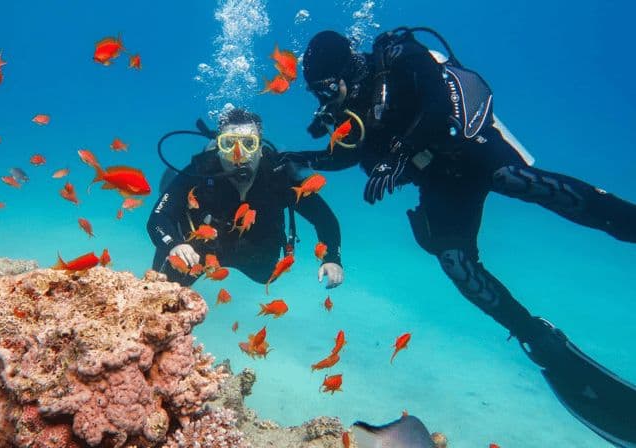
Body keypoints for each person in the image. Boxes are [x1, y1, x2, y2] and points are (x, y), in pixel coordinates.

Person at [290, 27, 636, 446]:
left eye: (326, 87)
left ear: (347, 68)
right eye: (316, 92)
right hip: (439, 181)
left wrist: (398, 157)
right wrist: (295, 159)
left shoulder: (397, 55)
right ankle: (537, 339)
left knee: (528, 182)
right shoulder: (349, 111)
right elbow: (347, 155)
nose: (324, 98)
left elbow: (437, 104)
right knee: (455, 262)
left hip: (472, 149)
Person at [147, 108, 344, 289]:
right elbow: (159, 217)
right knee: (164, 288)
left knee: (267, 276)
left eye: (249, 144)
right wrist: (173, 244)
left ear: (259, 149)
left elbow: (325, 219)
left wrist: (332, 258)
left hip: (257, 252)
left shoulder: (278, 177)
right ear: (218, 148)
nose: (238, 154)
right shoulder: (201, 171)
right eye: (228, 143)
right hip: (203, 250)